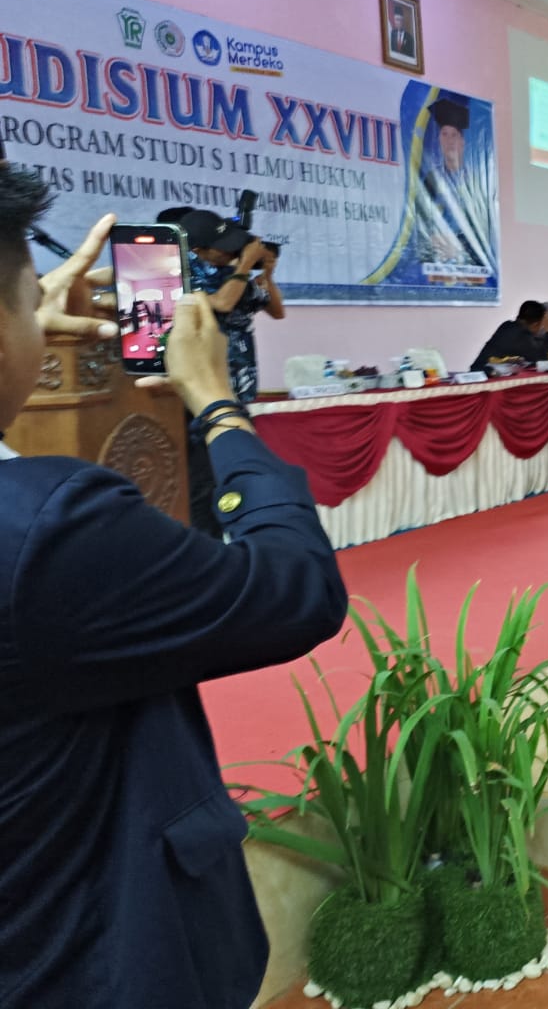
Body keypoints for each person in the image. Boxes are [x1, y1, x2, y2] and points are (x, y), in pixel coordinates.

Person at [0, 163, 348, 1009]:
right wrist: (218, 405)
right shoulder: (45, 531)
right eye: (24, 297)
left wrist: (26, 343)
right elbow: (297, 590)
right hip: (88, 962)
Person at [178, 208, 286, 536]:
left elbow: (276, 310)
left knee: (233, 472)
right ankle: (207, 546)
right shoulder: (183, 273)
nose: (229, 252)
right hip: (201, 393)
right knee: (203, 481)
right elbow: (221, 304)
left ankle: (233, 540)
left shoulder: (229, 274)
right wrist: (243, 266)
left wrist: (266, 274)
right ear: (198, 250)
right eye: (221, 248)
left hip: (236, 390)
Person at [415, 96, 496, 273]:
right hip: (438, 262)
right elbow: (422, 224)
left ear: (462, 142)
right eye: (444, 134)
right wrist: (433, 240)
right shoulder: (431, 180)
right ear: (439, 140)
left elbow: (482, 233)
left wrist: (459, 248)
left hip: (470, 265)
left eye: (454, 135)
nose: (449, 141)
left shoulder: (475, 185)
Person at [469, 299, 548, 372]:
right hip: (485, 377)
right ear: (535, 324)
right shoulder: (519, 336)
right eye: (541, 324)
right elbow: (546, 359)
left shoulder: (508, 326)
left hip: (485, 373)